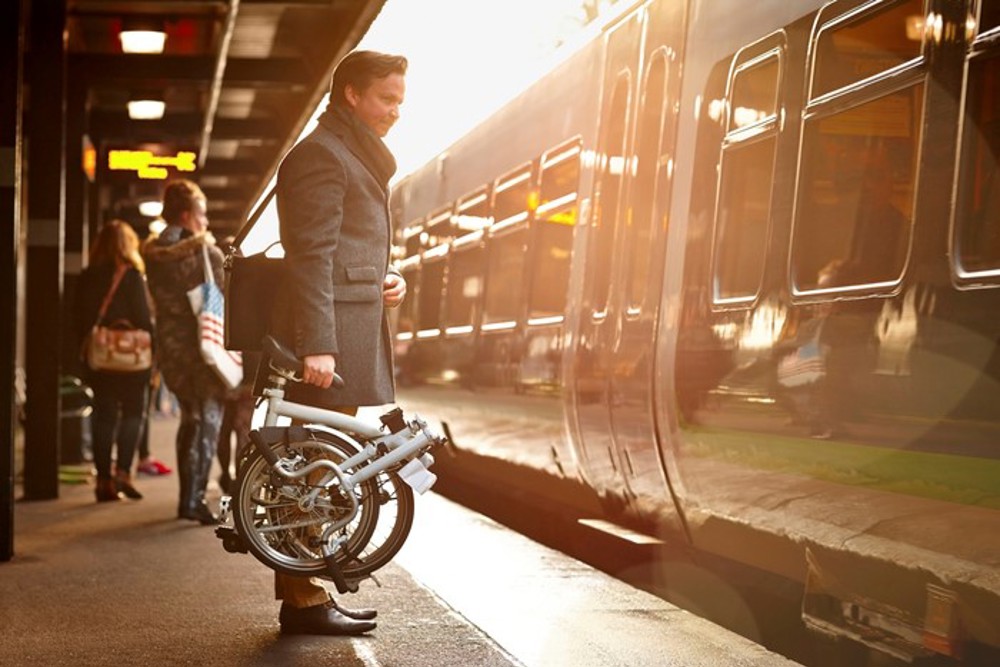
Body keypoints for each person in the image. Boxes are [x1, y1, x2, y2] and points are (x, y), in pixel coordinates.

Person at [268, 49, 408, 636]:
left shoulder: (348, 152)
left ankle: (307, 592)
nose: (395, 111)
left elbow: (347, 250)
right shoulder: (323, 155)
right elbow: (311, 257)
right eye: (386, 98)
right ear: (351, 93)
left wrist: (386, 279)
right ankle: (302, 600)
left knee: (322, 468)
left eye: (401, 100)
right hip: (330, 346)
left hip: (348, 329)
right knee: (313, 469)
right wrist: (317, 345)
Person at [142, 179, 228, 525]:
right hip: (202, 347)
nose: (205, 222)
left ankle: (185, 496)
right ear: (186, 215)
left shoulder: (152, 254)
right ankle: (194, 500)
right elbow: (223, 301)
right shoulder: (207, 253)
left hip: (170, 348)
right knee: (210, 419)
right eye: (202, 214)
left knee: (188, 417)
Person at [73, 220, 154, 502]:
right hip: (132, 360)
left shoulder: (87, 276)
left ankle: (103, 482)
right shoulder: (132, 277)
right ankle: (123, 473)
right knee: (133, 413)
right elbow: (144, 319)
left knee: (103, 415)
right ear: (128, 245)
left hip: (100, 357)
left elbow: (77, 317)